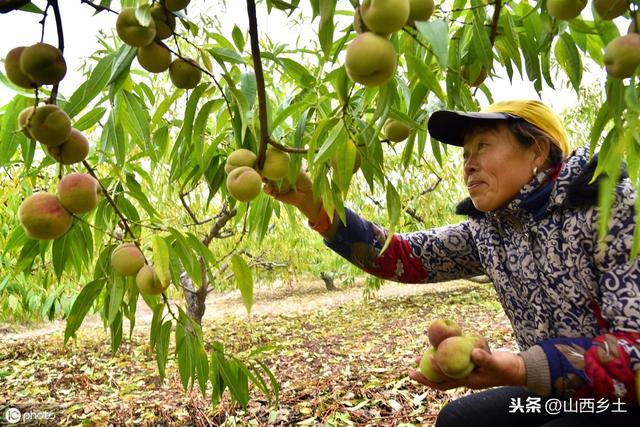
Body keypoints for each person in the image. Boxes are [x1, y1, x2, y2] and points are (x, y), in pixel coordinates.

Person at [263, 100, 640, 425]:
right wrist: (317, 205)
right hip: (556, 392)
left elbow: (636, 351)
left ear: (538, 151)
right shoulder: (490, 229)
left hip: (625, 397)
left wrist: (520, 367)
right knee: (459, 420)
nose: (468, 165)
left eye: (482, 147)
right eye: (465, 154)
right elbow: (402, 258)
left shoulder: (609, 208)